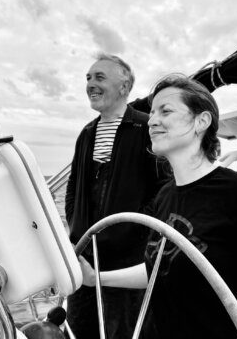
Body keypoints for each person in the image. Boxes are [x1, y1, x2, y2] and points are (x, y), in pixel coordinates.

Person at [79, 75, 237, 338]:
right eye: (152, 113)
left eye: (165, 111)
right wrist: (97, 277)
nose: (152, 120)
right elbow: (158, 267)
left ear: (201, 121)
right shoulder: (165, 194)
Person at [65, 54, 166, 338]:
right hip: (86, 251)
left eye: (99, 77)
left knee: (123, 329)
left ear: (124, 87)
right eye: (88, 78)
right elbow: (74, 185)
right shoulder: (86, 133)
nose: (90, 84)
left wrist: (132, 228)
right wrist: (76, 226)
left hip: (129, 256)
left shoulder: (145, 128)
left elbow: (163, 189)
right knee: (80, 326)